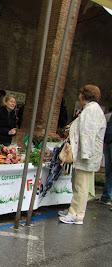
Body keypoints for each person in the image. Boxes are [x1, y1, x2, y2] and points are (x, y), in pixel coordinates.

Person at [58, 85, 106, 224]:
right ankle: (74, 211)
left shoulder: (91, 110)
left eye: (80, 94)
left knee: (81, 186)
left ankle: (76, 215)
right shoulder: (92, 109)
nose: (78, 96)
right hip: (86, 154)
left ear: (84, 95)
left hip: (86, 155)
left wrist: (84, 155)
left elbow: (87, 134)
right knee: (79, 184)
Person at [100, 107, 112, 206]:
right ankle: (107, 196)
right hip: (108, 144)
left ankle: (106, 196)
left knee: (109, 171)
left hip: (107, 144)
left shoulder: (107, 116)